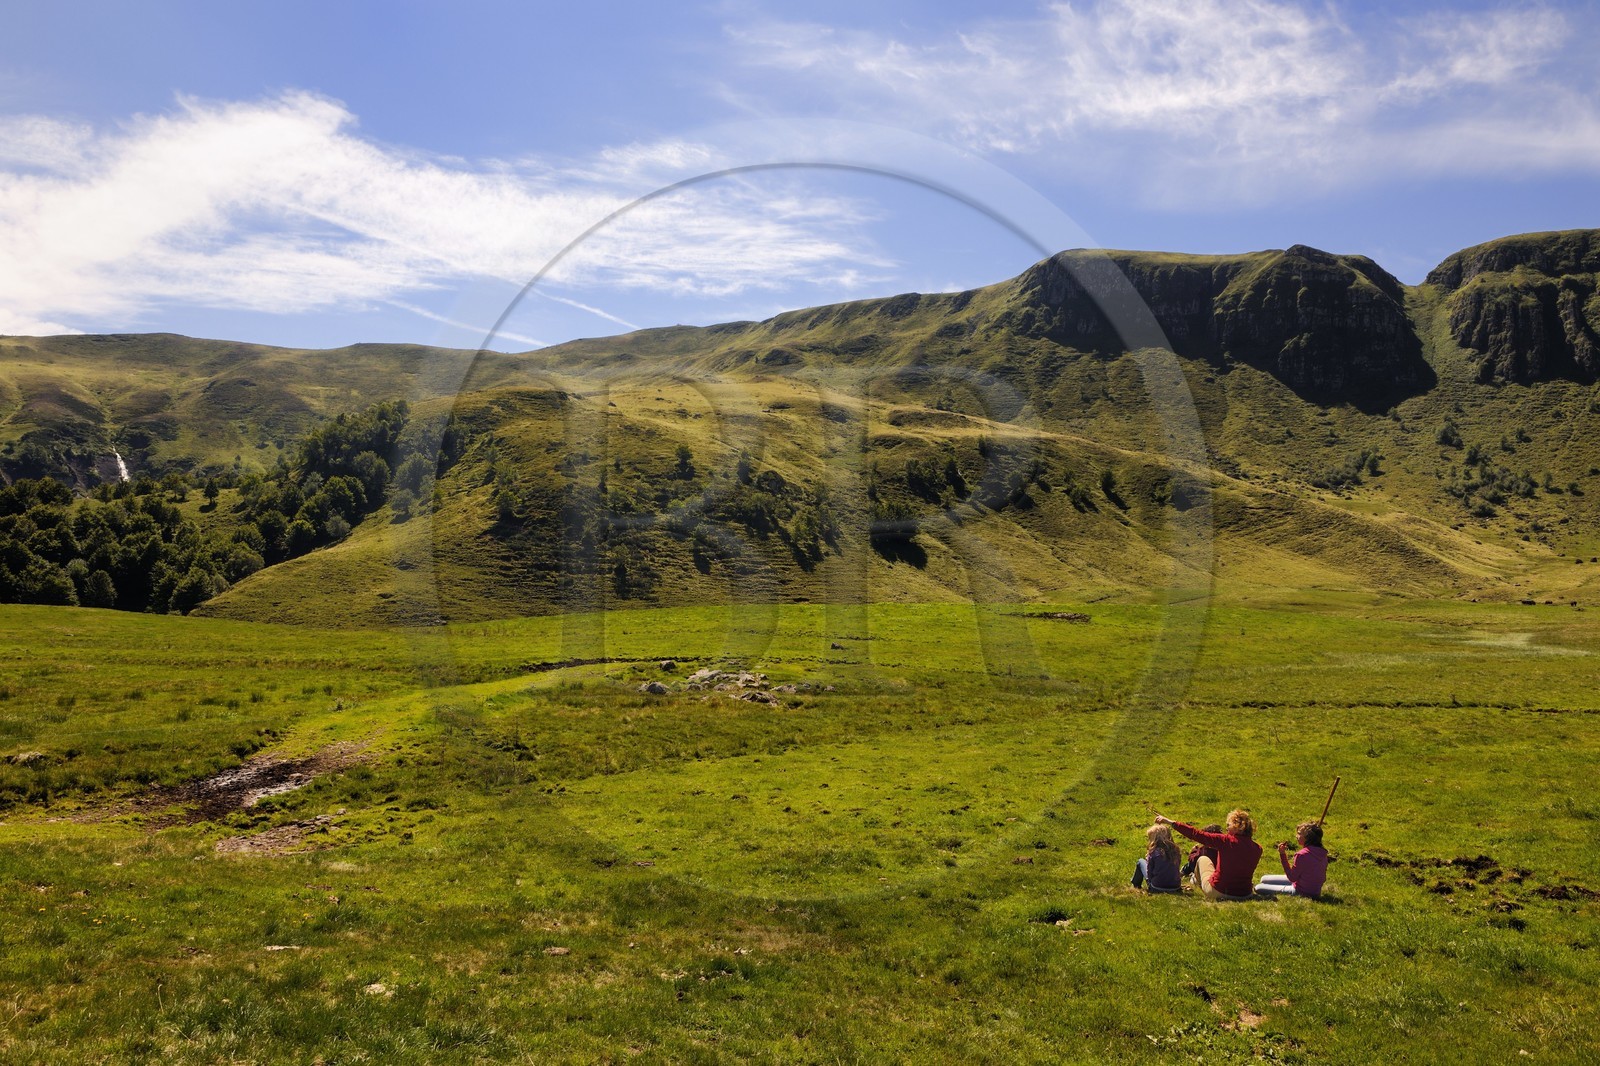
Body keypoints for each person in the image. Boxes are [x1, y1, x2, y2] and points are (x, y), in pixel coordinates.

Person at [1155, 809, 1263, 901]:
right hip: (1245, 894)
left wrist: (1170, 822)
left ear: (1236, 827)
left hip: (1220, 892)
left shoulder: (1225, 841)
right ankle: (1194, 880)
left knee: (1202, 859)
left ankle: (1194, 881)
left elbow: (1196, 834)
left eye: (1228, 825)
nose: (1226, 829)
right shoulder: (1258, 849)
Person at [1256, 821, 1329, 898]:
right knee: (1264, 879)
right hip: (1315, 891)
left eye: (1299, 834)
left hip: (1301, 891)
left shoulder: (1302, 855)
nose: (1296, 836)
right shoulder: (1322, 852)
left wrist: (1282, 854)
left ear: (1307, 838)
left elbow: (1292, 877)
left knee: (1258, 887)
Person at [1130, 822, 1183, 893]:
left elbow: (1149, 871)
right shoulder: (1176, 850)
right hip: (1175, 887)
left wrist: (1148, 859)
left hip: (1157, 887)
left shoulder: (1154, 851)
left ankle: (1136, 885)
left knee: (1140, 861)